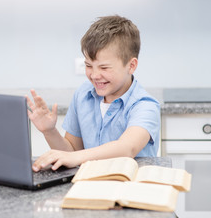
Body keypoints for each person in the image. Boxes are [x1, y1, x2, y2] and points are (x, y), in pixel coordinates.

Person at [26, 15, 160, 172]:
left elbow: (126, 148)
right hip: (89, 186)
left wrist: (74, 157)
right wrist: (49, 131)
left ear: (131, 66)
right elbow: (71, 153)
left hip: (130, 190)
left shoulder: (145, 106)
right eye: (89, 65)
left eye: (104, 68)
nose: (95, 75)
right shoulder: (83, 95)